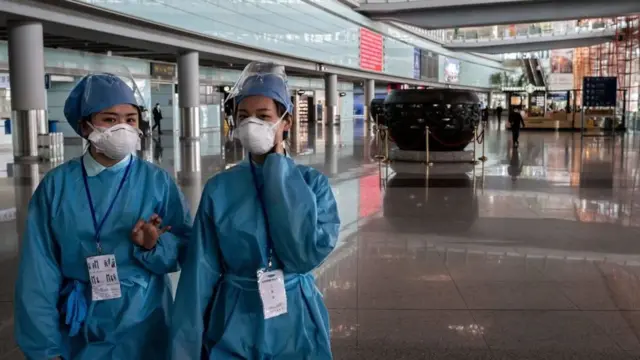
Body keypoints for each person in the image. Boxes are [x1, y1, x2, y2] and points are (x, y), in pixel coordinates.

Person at [14, 73, 192, 360]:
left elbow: (184, 247)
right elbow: (38, 272)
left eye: (130, 119)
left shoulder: (157, 182)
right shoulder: (57, 186)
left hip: (145, 318)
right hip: (78, 321)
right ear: (85, 126)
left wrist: (153, 247)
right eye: (109, 119)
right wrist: (45, 348)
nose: (122, 127)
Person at [171, 62, 341, 359]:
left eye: (264, 117)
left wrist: (277, 172)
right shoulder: (220, 188)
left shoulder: (313, 185)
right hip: (236, 314)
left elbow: (303, 255)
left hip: (294, 315)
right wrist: (185, 348)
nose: (252, 124)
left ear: (285, 121)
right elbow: (200, 271)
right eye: (243, 116)